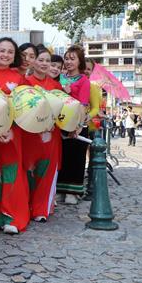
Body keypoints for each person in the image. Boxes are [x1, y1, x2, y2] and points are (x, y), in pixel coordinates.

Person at [0, 37, 30, 234]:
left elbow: (27, 105)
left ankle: (10, 216)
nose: (5, 55)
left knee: (10, 172)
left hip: (10, 132)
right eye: (2, 50)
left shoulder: (19, 78)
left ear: (14, 56)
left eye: (10, 52)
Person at [24, 45, 63, 222]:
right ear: (33, 62)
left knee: (46, 171)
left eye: (48, 61)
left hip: (50, 135)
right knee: (28, 171)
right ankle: (25, 207)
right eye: (41, 60)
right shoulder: (25, 83)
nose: (45, 64)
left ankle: (41, 209)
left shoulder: (56, 86)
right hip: (29, 134)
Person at [57, 45, 91, 204]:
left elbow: (84, 104)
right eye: (66, 58)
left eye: (72, 58)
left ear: (80, 61)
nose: (68, 62)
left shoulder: (84, 80)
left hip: (77, 124)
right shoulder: (60, 77)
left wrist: (78, 126)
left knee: (76, 157)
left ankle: (73, 191)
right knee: (62, 156)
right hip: (59, 123)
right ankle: (60, 190)